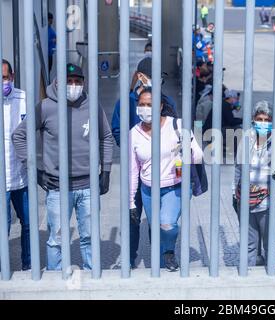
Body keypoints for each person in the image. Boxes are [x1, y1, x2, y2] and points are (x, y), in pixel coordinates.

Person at [12, 63, 114, 271]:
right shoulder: (46, 107)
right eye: (69, 81)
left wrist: (107, 171)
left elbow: (106, 137)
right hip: (58, 188)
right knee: (56, 239)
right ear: (58, 82)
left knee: (89, 237)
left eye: (78, 81)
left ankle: (91, 276)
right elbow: (19, 136)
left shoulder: (92, 105)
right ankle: (54, 279)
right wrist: (35, 170)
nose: (73, 85)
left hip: (88, 186)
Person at [111, 58, 177, 269]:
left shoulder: (166, 101)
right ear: (141, 77)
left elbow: (176, 133)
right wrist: (134, 148)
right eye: (153, 76)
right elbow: (117, 130)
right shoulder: (126, 102)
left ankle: (160, 258)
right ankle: (130, 259)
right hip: (134, 171)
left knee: (158, 218)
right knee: (132, 217)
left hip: (159, 172)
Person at [129, 88, 203, 271]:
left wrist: (186, 151)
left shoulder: (176, 125)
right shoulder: (134, 133)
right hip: (148, 190)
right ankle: (161, 269)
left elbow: (200, 155)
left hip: (175, 186)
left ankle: (169, 252)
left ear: (160, 106)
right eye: (142, 105)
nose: (145, 108)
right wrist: (131, 201)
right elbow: (132, 170)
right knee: (156, 229)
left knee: (167, 224)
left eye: (150, 104)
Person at [233, 100, 275, 266]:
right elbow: (239, 168)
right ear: (253, 119)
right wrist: (235, 193)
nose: (262, 123)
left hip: (269, 203)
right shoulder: (246, 139)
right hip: (246, 202)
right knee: (249, 244)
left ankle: (270, 275)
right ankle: (249, 275)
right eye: (259, 119)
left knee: (270, 244)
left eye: (266, 120)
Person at [2, 59, 30, 271]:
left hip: (22, 176)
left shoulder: (23, 98)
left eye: (5, 77)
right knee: (3, 227)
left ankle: (28, 264)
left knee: (28, 223)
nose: (3, 82)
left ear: (12, 77)